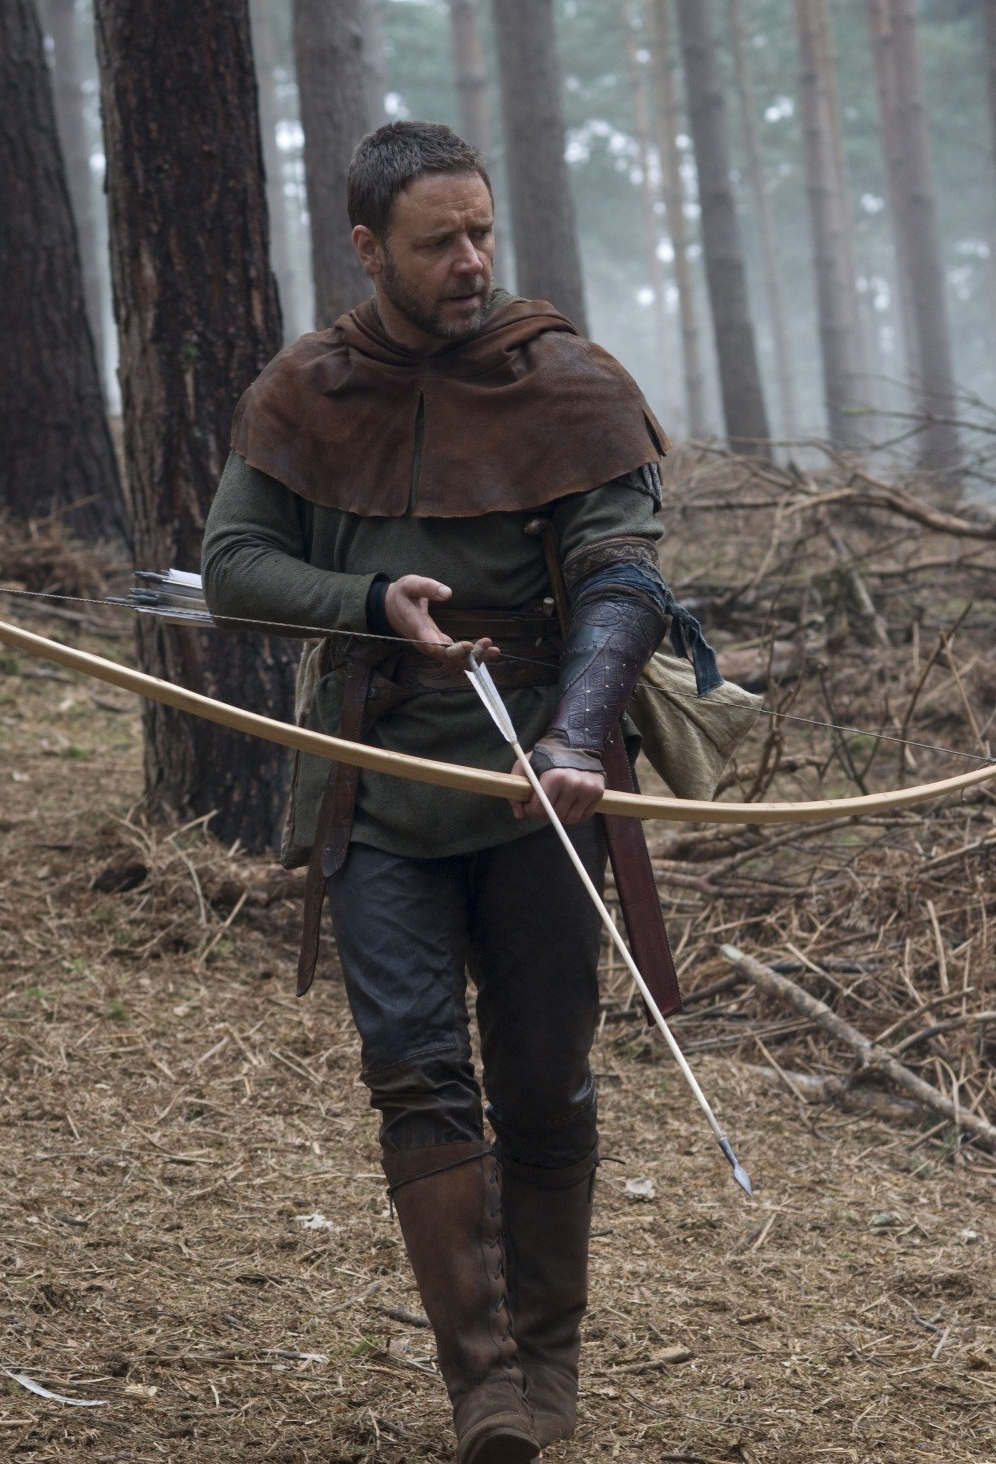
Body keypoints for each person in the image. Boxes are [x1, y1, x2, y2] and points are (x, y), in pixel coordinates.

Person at [202, 121, 710, 1464]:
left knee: (541, 1079)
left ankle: (549, 1363)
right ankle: (485, 1389)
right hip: (379, 790)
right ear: (369, 249)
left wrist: (578, 737)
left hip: (543, 784)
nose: (473, 261)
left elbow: (623, 578)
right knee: (418, 1075)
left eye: (482, 232)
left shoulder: (567, 381)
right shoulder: (305, 390)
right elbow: (234, 568)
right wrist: (371, 600)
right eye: (440, 243)